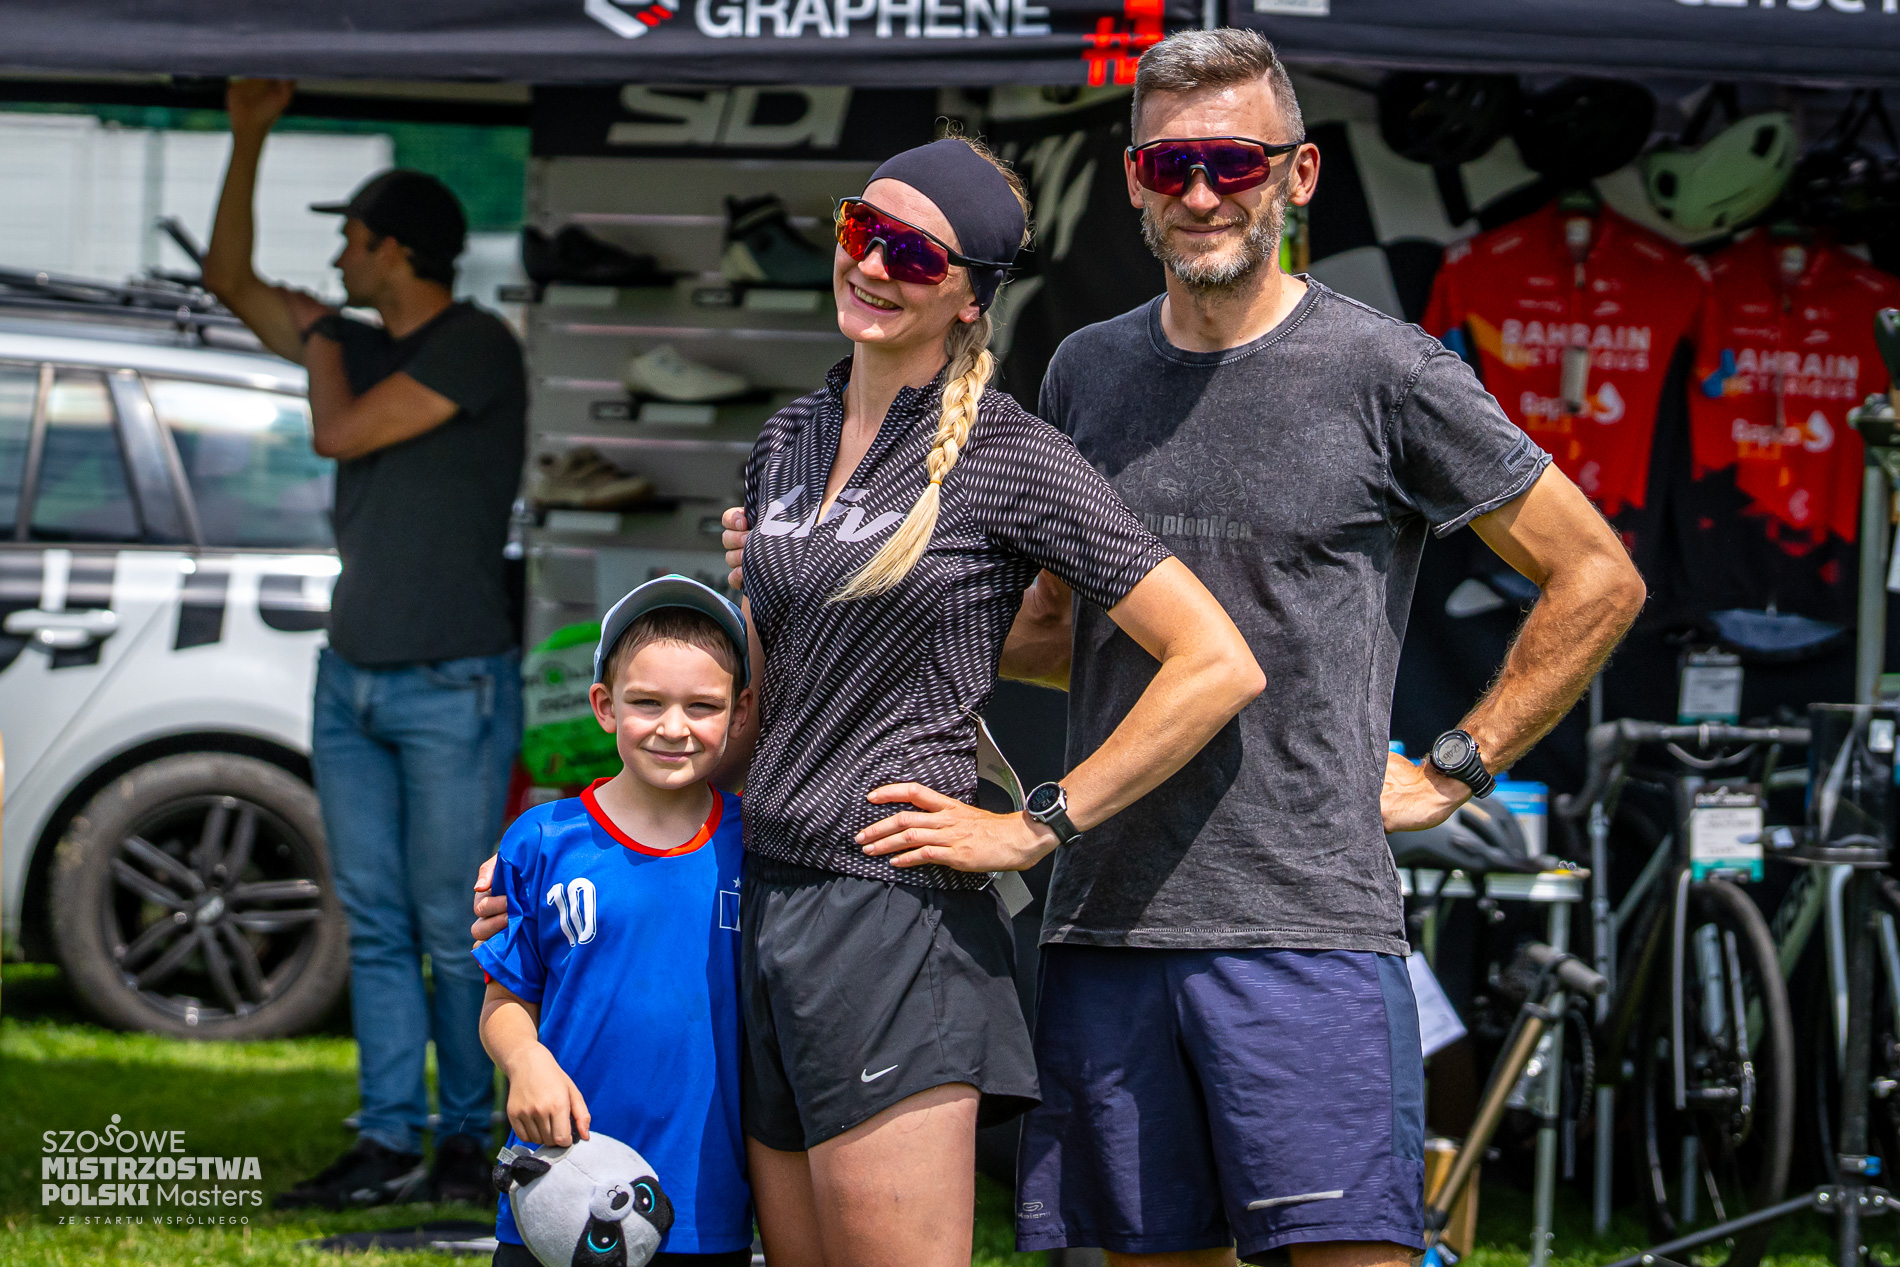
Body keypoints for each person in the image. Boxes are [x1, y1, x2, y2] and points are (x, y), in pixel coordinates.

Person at [720, 31, 1646, 1267]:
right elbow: (1058, 636)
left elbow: (1597, 574)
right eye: (1170, 164)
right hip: (1105, 922)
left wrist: (1455, 767)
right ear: (1134, 181)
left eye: (1234, 162)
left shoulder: (1386, 371)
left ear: (1298, 174)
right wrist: (841, 585)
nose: (1201, 192)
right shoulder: (1087, 370)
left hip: (1301, 921)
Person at [477, 135, 1264, 1267]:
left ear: (969, 297)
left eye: (915, 253)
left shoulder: (1007, 454)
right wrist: (572, 847)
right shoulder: (788, 438)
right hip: (766, 900)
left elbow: (1216, 659)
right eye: (863, 229)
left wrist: (1030, 826)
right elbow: (758, 702)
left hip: (893, 917)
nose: (875, 264)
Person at [204, 78, 528, 1206]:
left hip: (451, 683)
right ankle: (389, 1141)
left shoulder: (475, 345)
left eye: (350, 239)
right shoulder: (346, 338)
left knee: (451, 924)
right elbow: (229, 279)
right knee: (379, 925)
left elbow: (339, 430)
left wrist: (317, 341)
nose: (337, 258)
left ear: (395, 251)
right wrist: (248, 135)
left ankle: (466, 1138)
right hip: (350, 680)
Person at [476, 577, 754, 1267]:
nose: (673, 727)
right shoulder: (542, 840)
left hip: (702, 1200)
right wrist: (526, 1062)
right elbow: (504, 1001)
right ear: (605, 705)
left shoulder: (757, 846)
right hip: (557, 1186)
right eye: (647, 702)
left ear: (739, 710)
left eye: (702, 706)